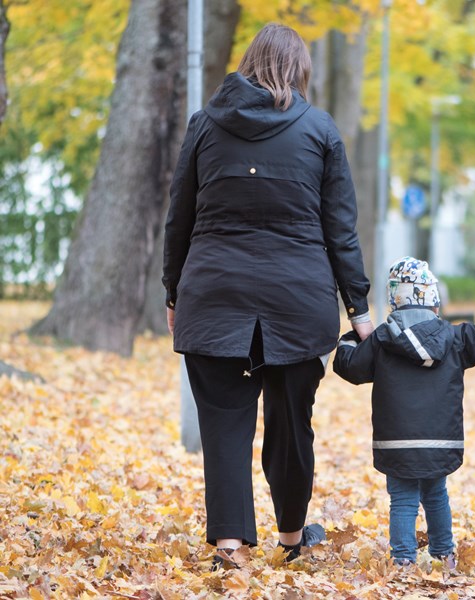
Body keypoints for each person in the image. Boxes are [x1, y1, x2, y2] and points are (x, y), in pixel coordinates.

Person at [162, 23, 374, 569]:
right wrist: (360, 309)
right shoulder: (320, 130)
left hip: (212, 293)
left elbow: (178, 219)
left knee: (224, 425)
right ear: (297, 70)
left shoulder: (205, 126)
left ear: (248, 64)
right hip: (298, 300)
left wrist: (173, 291)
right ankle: (291, 535)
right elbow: (340, 231)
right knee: (291, 421)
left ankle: (229, 544)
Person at [333, 257, 475, 569]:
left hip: (396, 442)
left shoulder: (381, 342)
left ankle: (403, 560)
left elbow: (349, 367)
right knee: (436, 494)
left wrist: (351, 338)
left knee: (402, 499)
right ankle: (444, 554)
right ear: (434, 304)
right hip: (441, 441)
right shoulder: (456, 339)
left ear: (394, 305)